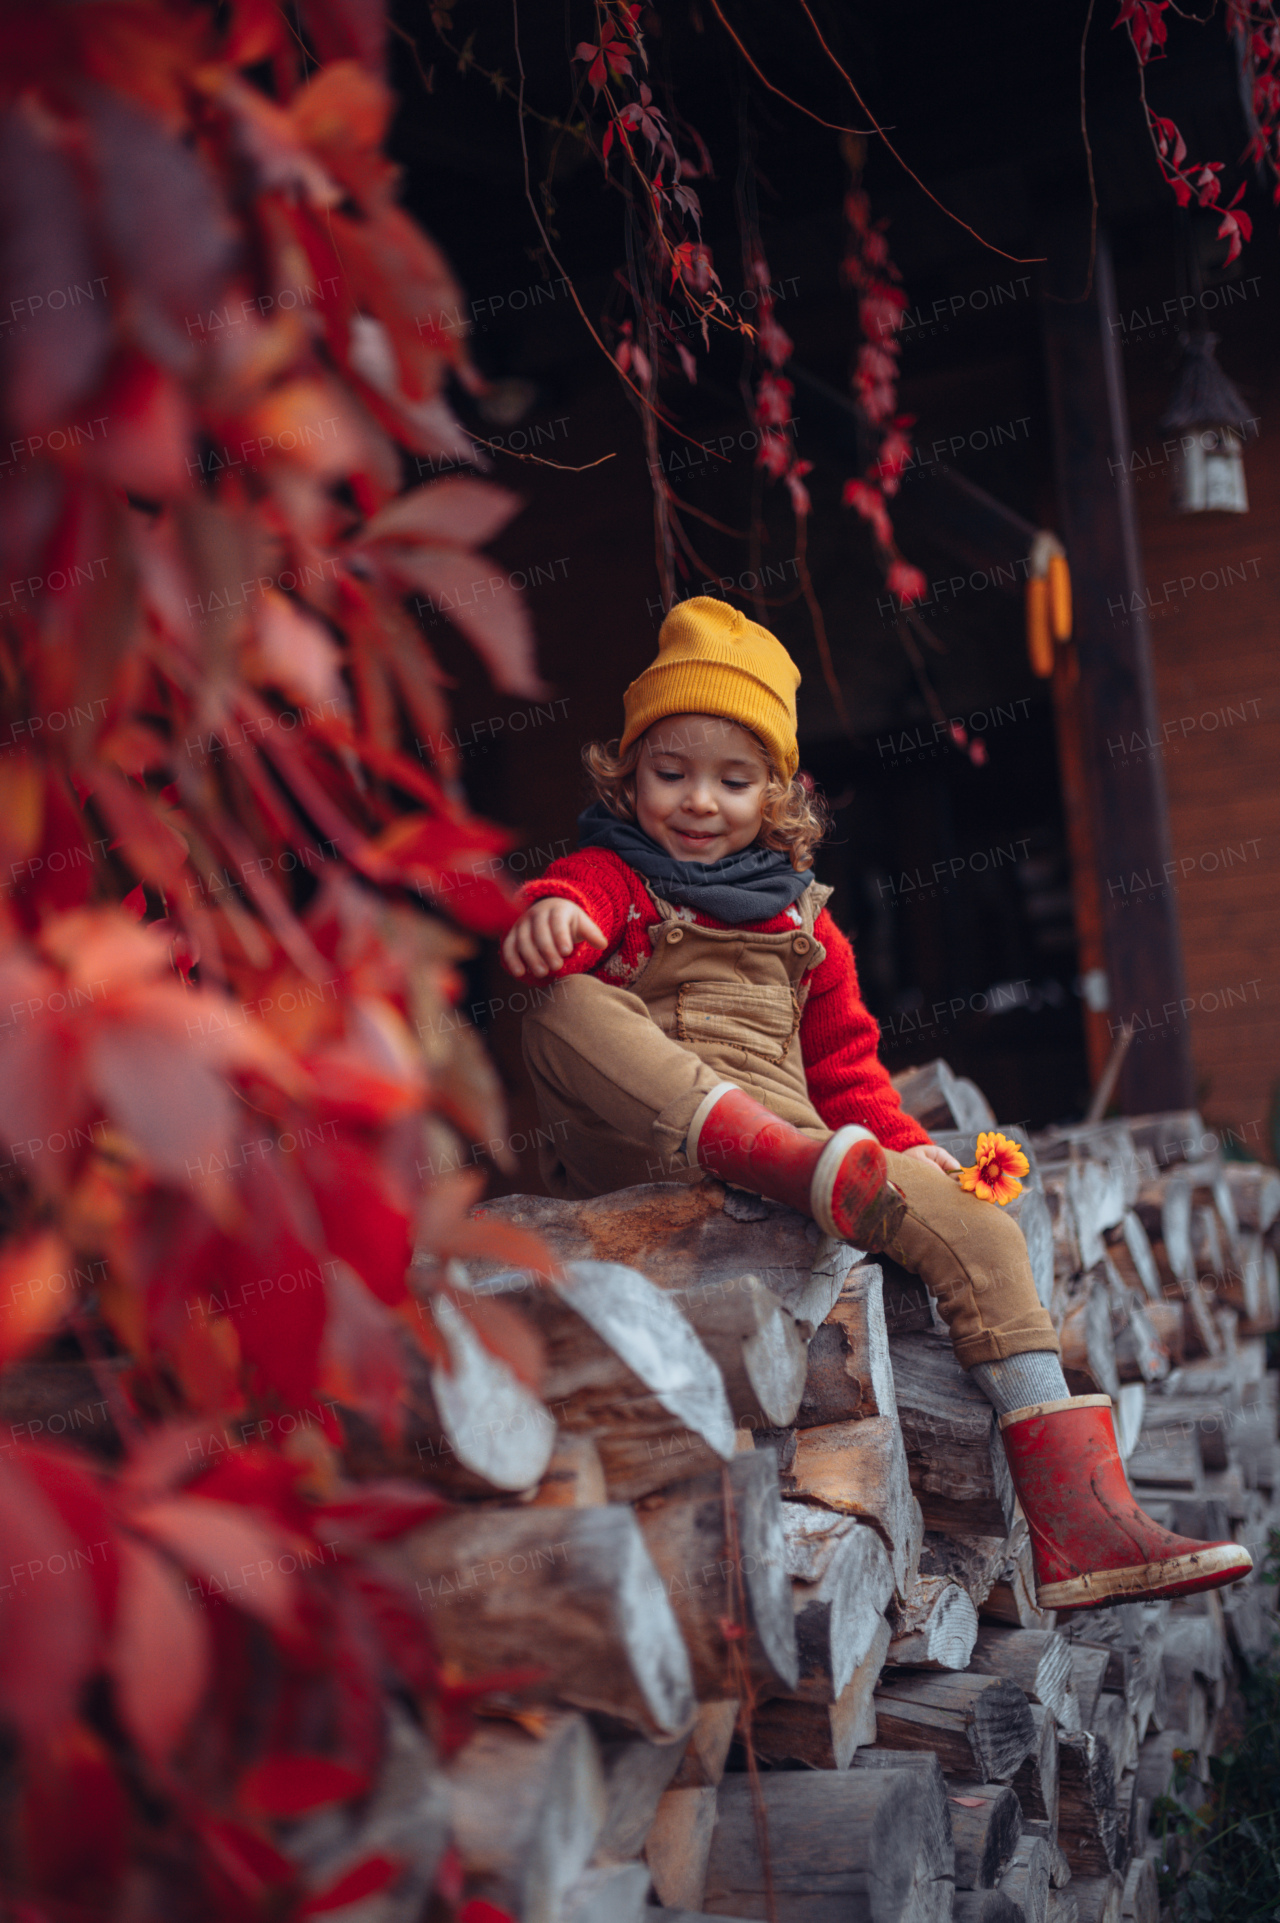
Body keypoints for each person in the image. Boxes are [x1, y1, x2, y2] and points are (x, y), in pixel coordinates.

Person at [499, 594, 1250, 1612]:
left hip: (808, 1155)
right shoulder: (612, 879)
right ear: (626, 775)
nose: (696, 801)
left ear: (774, 794)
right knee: (557, 1002)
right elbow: (573, 912)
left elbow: (848, 1069)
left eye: (732, 779)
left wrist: (905, 1149)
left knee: (979, 1233)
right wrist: (549, 915)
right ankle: (780, 1159)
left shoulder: (805, 926)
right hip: (647, 1143)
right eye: (668, 772)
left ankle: (1081, 1521)